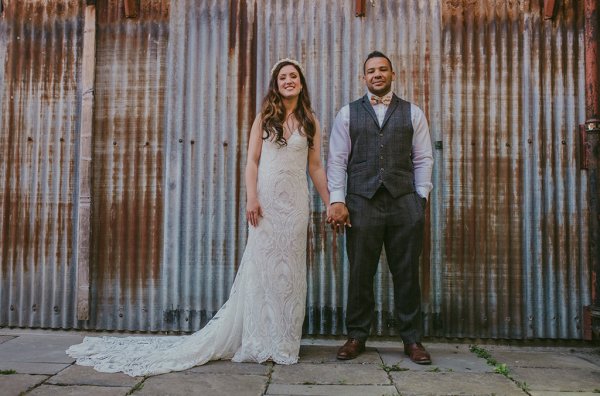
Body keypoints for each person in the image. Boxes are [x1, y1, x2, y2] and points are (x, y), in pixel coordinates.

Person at [67, 58, 330, 376]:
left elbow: (315, 167)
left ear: (301, 83)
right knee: (263, 273)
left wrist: (330, 203)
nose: (289, 80)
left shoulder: (310, 121)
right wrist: (251, 197)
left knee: (291, 276)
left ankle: (284, 343)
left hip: (296, 209)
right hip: (267, 207)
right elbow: (252, 163)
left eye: (294, 76)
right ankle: (260, 341)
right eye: (283, 77)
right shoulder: (265, 117)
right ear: (276, 85)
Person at [327, 51, 434, 364]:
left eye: (382, 69)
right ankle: (357, 336)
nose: (377, 74)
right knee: (360, 273)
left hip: (404, 203)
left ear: (392, 74)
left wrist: (420, 198)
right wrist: (338, 199)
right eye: (371, 70)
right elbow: (336, 159)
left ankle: (412, 340)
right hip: (361, 203)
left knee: (406, 275)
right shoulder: (347, 114)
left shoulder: (413, 113)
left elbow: (424, 158)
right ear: (364, 78)